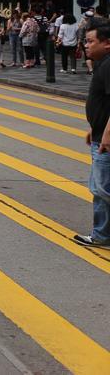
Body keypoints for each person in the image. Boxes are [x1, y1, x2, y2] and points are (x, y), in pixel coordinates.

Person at [76, 25, 110, 247]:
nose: (86, 45)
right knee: (100, 189)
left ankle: (102, 235)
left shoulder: (108, 66)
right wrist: (95, 128)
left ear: (106, 43)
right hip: (100, 135)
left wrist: (106, 135)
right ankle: (102, 234)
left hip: (105, 142)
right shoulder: (102, 65)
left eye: (90, 41)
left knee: (103, 190)